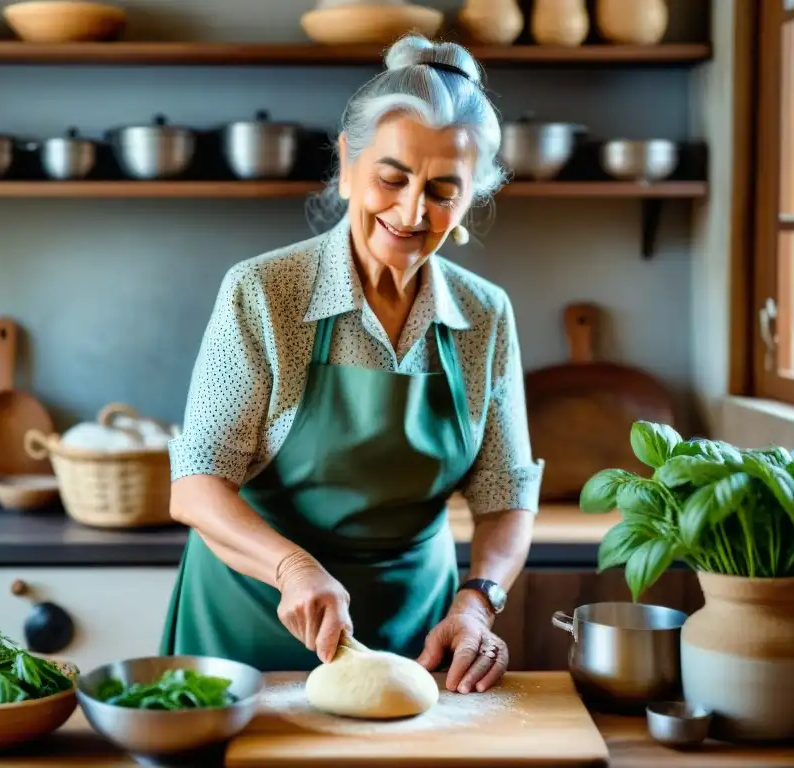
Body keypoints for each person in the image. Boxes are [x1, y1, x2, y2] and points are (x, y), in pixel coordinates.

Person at [159, 34, 543, 695]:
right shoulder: (264, 292)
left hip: (416, 644)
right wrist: (291, 569)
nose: (412, 211)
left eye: (444, 189)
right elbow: (196, 485)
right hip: (254, 630)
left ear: (472, 199)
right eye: (392, 178)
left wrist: (476, 603)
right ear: (346, 163)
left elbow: (505, 496)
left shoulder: (485, 315)